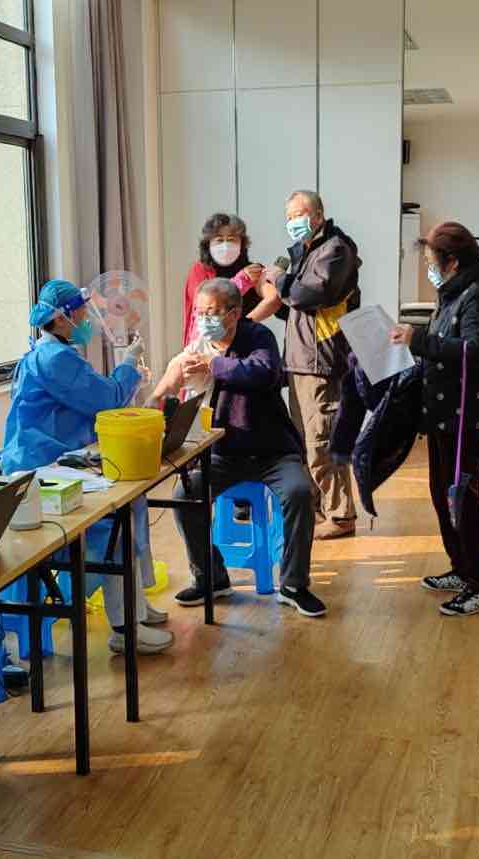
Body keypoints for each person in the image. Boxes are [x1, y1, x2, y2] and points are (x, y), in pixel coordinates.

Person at [1, 279, 174, 654]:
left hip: (57, 459)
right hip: (41, 466)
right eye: (81, 311)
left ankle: (136, 605)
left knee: (131, 504)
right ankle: (125, 628)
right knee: (113, 524)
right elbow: (106, 398)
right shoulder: (55, 359)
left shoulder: (56, 352)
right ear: (62, 318)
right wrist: (128, 364)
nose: (87, 318)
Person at [157, 278, 326, 617]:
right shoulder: (200, 344)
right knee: (183, 496)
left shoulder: (258, 337)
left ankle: (294, 584)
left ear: (234, 313)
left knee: (299, 492)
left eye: (211, 312)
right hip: (223, 454)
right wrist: (158, 395)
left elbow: (263, 373)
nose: (204, 319)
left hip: (273, 451)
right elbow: (173, 376)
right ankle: (211, 578)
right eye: (199, 312)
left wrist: (214, 365)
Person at [390, 223, 479, 616]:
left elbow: (474, 349)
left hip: (467, 417)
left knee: (464, 500)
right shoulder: (454, 292)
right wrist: (416, 339)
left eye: (431, 262)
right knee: (443, 497)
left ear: (453, 262)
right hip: (444, 414)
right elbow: (445, 338)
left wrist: (419, 340)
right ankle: (461, 569)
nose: (429, 269)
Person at [264, 190, 359, 540]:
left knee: (322, 440)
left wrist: (279, 279)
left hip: (321, 360)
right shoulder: (307, 251)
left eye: (298, 215)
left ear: (317, 216)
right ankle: (317, 508)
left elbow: (310, 295)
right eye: (288, 217)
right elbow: (297, 307)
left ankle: (341, 514)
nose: (293, 222)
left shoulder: (336, 250)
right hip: (300, 360)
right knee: (303, 441)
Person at [182, 213, 280, 347]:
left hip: (244, 346)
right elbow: (206, 301)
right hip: (205, 346)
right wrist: (242, 280)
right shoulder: (200, 270)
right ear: (208, 244)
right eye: (219, 240)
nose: (225, 245)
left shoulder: (252, 270)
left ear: (242, 244)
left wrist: (242, 326)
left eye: (231, 239)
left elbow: (273, 299)